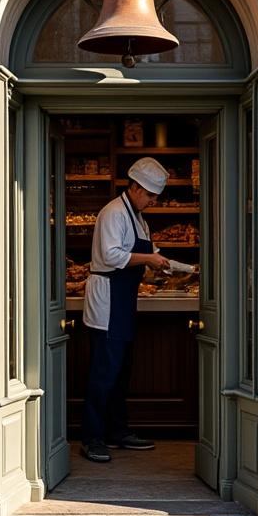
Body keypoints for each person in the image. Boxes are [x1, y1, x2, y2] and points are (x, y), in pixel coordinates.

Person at [80, 156, 171, 463]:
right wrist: (148, 260)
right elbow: (110, 256)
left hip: (124, 301)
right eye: (150, 195)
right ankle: (92, 437)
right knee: (104, 373)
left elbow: (147, 253)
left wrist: (159, 264)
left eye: (155, 196)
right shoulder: (113, 213)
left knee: (121, 372)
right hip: (108, 302)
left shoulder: (139, 219)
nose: (153, 201)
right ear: (135, 187)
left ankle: (117, 431)